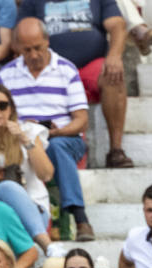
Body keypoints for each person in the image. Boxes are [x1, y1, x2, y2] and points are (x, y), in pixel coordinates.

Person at [0, 17, 93, 241]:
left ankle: (80, 217)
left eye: (38, 48)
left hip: (64, 137)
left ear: (47, 41)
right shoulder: (6, 74)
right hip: (23, 138)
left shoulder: (66, 70)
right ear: (18, 48)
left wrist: (55, 132)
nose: (33, 55)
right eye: (27, 49)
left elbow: (81, 120)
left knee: (57, 147)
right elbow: (2, 115)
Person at [16, 0, 134, 168]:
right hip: (50, 70)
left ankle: (116, 150)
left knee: (113, 76)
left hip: (91, 66)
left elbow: (117, 25)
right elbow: (21, 32)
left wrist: (115, 55)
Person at [0, 82, 57, 256]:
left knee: (10, 191)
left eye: (2, 106)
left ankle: (41, 250)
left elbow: (46, 174)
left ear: (11, 108)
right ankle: (48, 246)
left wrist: (24, 139)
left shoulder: (29, 131)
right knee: (7, 187)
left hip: (32, 212)